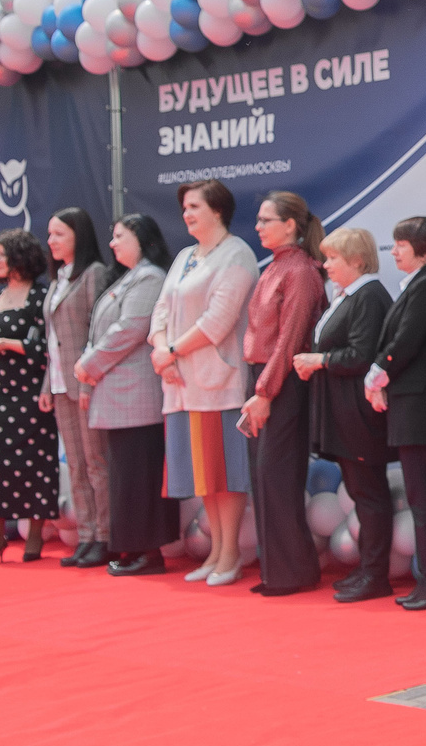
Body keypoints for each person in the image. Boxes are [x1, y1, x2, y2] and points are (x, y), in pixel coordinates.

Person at [150, 180, 260, 588]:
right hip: (180, 383)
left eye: (194, 206)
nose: (187, 214)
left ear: (218, 210)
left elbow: (218, 321)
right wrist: (163, 351)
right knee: (203, 475)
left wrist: (172, 351)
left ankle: (230, 553)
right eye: (184, 208)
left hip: (219, 382)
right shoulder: (184, 256)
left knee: (226, 473)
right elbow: (160, 310)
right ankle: (215, 551)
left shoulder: (237, 255)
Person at [238, 191, 330, 597]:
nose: (258, 227)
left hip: (281, 383)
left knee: (277, 477)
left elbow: (290, 340)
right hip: (264, 378)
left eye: (266, 220)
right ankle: (278, 569)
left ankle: (291, 570)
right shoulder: (277, 267)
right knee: (264, 477)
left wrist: (264, 392)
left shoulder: (301, 272)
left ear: (290, 224)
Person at [299, 225, 395, 602]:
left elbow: (361, 355)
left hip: (358, 413)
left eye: (334, 258)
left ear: (357, 260)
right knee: (360, 491)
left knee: (369, 493)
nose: (326, 265)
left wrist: (318, 360)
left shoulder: (368, 296)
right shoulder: (346, 296)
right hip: (342, 410)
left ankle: (376, 574)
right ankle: (368, 569)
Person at [371, 216, 426, 610]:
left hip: (421, 407)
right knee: (421, 496)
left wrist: (379, 370)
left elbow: (405, 339)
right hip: (411, 404)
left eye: (401, 244)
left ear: (424, 248)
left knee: (425, 498)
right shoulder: (419, 284)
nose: (394, 251)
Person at [78, 214, 172, 576]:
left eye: (120, 237)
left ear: (142, 240)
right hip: (117, 396)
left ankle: (148, 551)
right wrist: (88, 369)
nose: (113, 243)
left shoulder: (150, 277)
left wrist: (87, 364)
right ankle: (133, 547)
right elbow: (102, 330)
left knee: (138, 476)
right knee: (125, 476)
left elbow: (129, 330)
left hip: (137, 398)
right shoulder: (128, 278)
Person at [0, 229, 57, 564]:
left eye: (1, 255)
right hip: (0, 394)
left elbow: (48, 347)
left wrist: (7, 344)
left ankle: (34, 538)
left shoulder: (41, 298)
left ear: (20, 256)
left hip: (34, 395)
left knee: (37, 464)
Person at [39, 207, 112, 569]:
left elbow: (96, 333)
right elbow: (53, 340)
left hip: (87, 384)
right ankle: (85, 536)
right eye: (50, 235)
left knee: (96, 462)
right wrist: (45, 384)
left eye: (59, 235)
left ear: (78, 237)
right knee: (77, 466)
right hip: (59, 385)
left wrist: (86, 379)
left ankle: (105, 536)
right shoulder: (57, 279)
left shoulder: (94, 274)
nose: (50, 241)